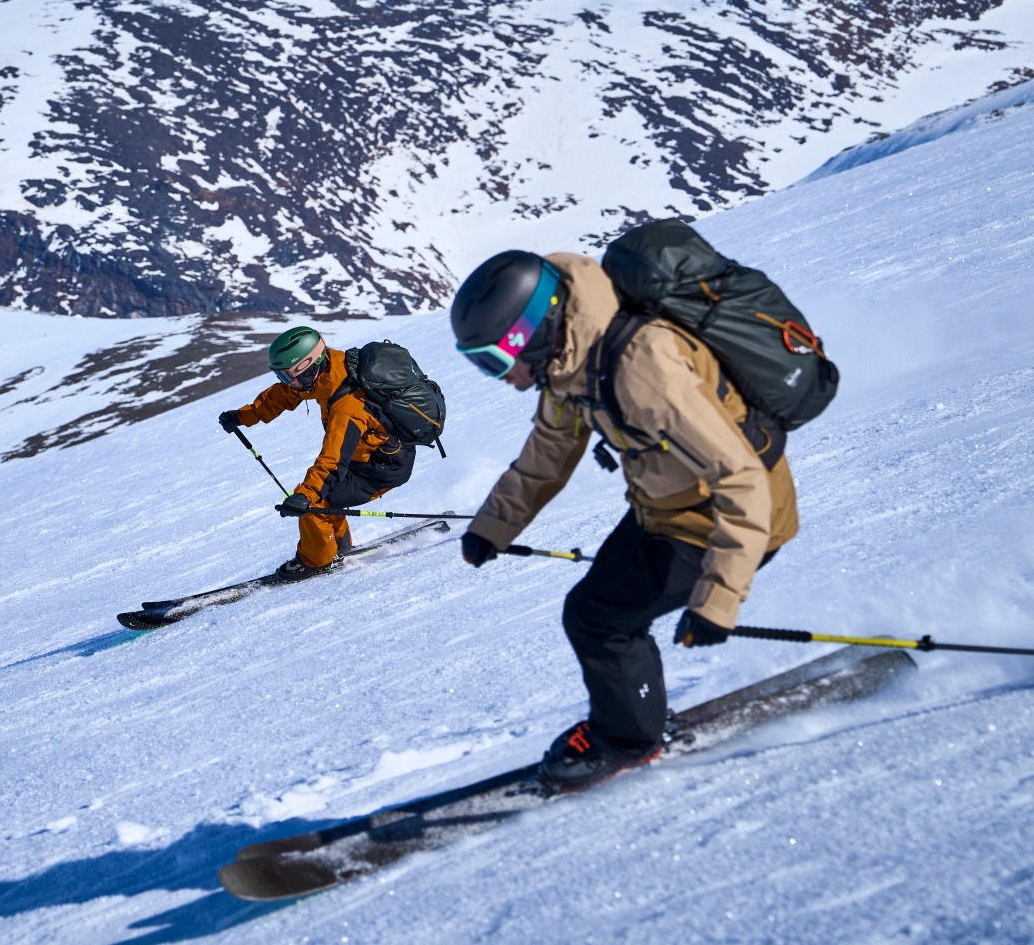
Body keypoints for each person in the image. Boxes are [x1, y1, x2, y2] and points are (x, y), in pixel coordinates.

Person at [449, 249, 798, 792]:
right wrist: (492, 526)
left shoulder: (642, 366)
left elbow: (741, 479)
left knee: (598, 619)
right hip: (666, 510)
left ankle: (630, 741)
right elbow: (548, 451)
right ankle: (633, 719)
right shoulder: (571, 362)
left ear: (533, 333)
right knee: (600, 612)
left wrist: (719, 599)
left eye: (494, 361)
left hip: (726, 519)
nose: (498, 378)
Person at [219, 326, 417, 579]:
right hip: (365, 455)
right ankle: (339, 548)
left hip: (383, 466)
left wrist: (306, 498)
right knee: (324, 496)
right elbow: (283, 395)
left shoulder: (348, 406)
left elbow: (332, 461)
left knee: (314, 501)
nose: (288, 383)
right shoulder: (327, 373)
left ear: (311, 364)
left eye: (289, 376)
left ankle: (316, 561)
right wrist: (242, 416)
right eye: (282, 376)